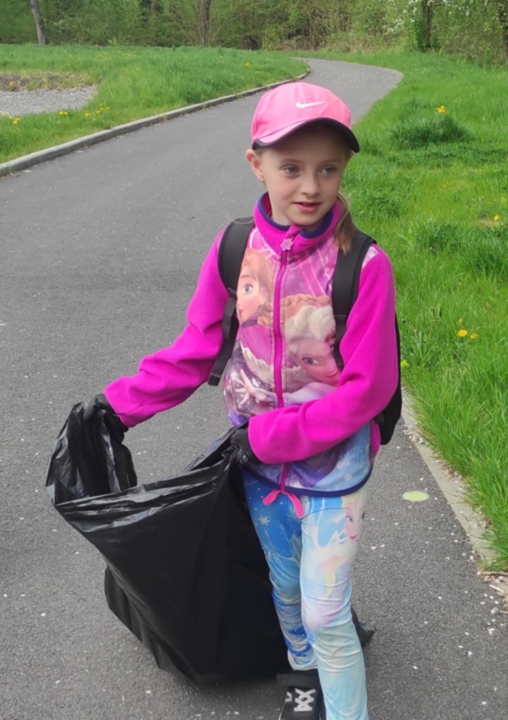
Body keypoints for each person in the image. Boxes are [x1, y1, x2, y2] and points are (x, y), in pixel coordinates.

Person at [101, 82, 397, 720]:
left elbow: (370, 388)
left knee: (325, 612)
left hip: (333, 472)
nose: (311, 187)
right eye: (291, 168)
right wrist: (116, 407)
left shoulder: (363, 264)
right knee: (286, 594)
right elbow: (196, 350)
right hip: (261, 474)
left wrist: (268, 436)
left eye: (328, 169)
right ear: (256, 164)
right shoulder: (234, 250)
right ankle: (305, 681)